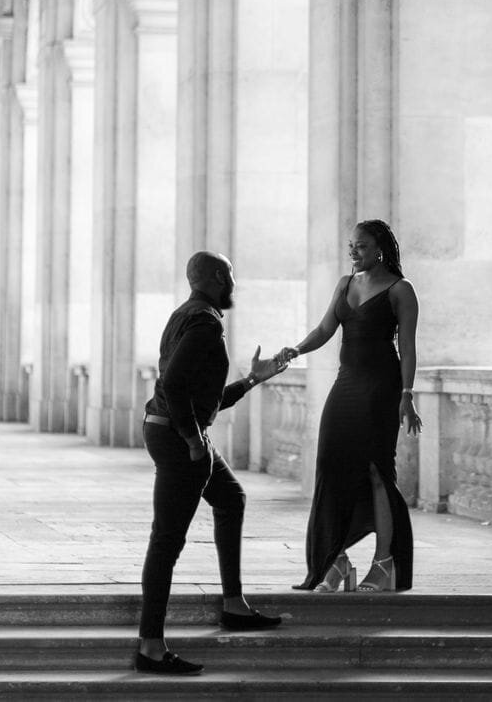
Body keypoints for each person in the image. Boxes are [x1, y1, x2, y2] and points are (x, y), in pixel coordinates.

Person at [136, 250, 287, 676]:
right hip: (177, 437)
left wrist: (254, 379)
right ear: (219, 277)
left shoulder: (185, 314)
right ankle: (150, 648)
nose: (235, 283)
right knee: (166, 541)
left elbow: (203, 395)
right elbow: (173, 383)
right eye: (232, 275)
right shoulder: (205, 324)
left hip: (165, 427)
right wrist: (193, 439)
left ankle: (234, 605)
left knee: (231, 497)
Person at [281, 219, 421, 594]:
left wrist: (407, 394)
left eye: (360, 246)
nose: (353, 252)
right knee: (330, 464)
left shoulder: (400, 290)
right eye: (350, 246)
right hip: (346, 385)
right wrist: (294, 350)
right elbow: (326, 329)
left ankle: (385, 564)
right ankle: (335, 559)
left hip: (381, 388)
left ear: (380, 249)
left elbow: (407, 347)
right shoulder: (345, 284)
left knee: (377, 472)